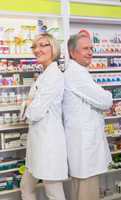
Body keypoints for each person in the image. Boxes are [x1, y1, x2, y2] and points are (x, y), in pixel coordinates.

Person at [63, 31, 113, 200]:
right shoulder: (76, 74)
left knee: (81, 191)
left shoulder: (79, 71)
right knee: (86, 193)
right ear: (72, 52)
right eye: (85, 48)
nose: (90, 52)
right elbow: (106, 101)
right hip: (84, 149)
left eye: (91, 48)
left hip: (83, 146)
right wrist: (106, 94)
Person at [20, 33, 68, 200]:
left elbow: (34, 113)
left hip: (49, 144)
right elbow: (27, 110)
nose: (37, 50)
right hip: (38, 143)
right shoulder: (43, 75)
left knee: (54, 193)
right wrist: (30, 104)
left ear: (53, 48)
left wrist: (29, 104)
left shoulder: (54, 76)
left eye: (43, 45)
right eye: (34, 46)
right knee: (26, 187)